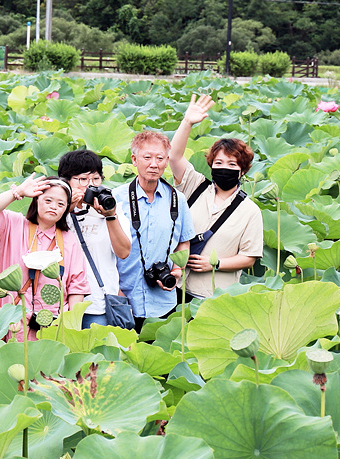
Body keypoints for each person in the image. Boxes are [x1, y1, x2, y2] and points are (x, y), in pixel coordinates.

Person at [169, 94, 264, 300]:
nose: (224, 169)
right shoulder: (195, 186)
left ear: (242, 171)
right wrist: (187, 122)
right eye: (219, 163)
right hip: (177, 287)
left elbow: (249, 257)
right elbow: (174, 157)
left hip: (215, 295)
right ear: (211, 165)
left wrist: (215, 263)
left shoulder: (250, 210)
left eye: (232, 164)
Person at [0, 175, 90, 341]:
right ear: (36, 200)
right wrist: (18, 192)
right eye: (48, 200)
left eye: (61, 204)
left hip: (54, 328)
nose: (54, 207)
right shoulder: (13, 225)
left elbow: (77, 286)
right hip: (13, 324)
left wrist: (71, 326)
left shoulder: (69, 240)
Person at [113, 130, 195, 330]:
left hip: (163, 301)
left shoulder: (178, 200)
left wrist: (177, 271)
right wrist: (114, 287)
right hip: (123, 298)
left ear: (167, 161)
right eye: (147, 157)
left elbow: (184, 241)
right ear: (134, 159)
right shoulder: (116, 198)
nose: (154, 164)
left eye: (160, 158)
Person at [58, 149, 132, 329]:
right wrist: (67, 207)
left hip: (98, 304)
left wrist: (110, 216)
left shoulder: (114, 209)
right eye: (82, 179)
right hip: (61, 302)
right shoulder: (56, 210)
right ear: (66, 181)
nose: (90, 185)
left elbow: (123, 252)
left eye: (96, 179)